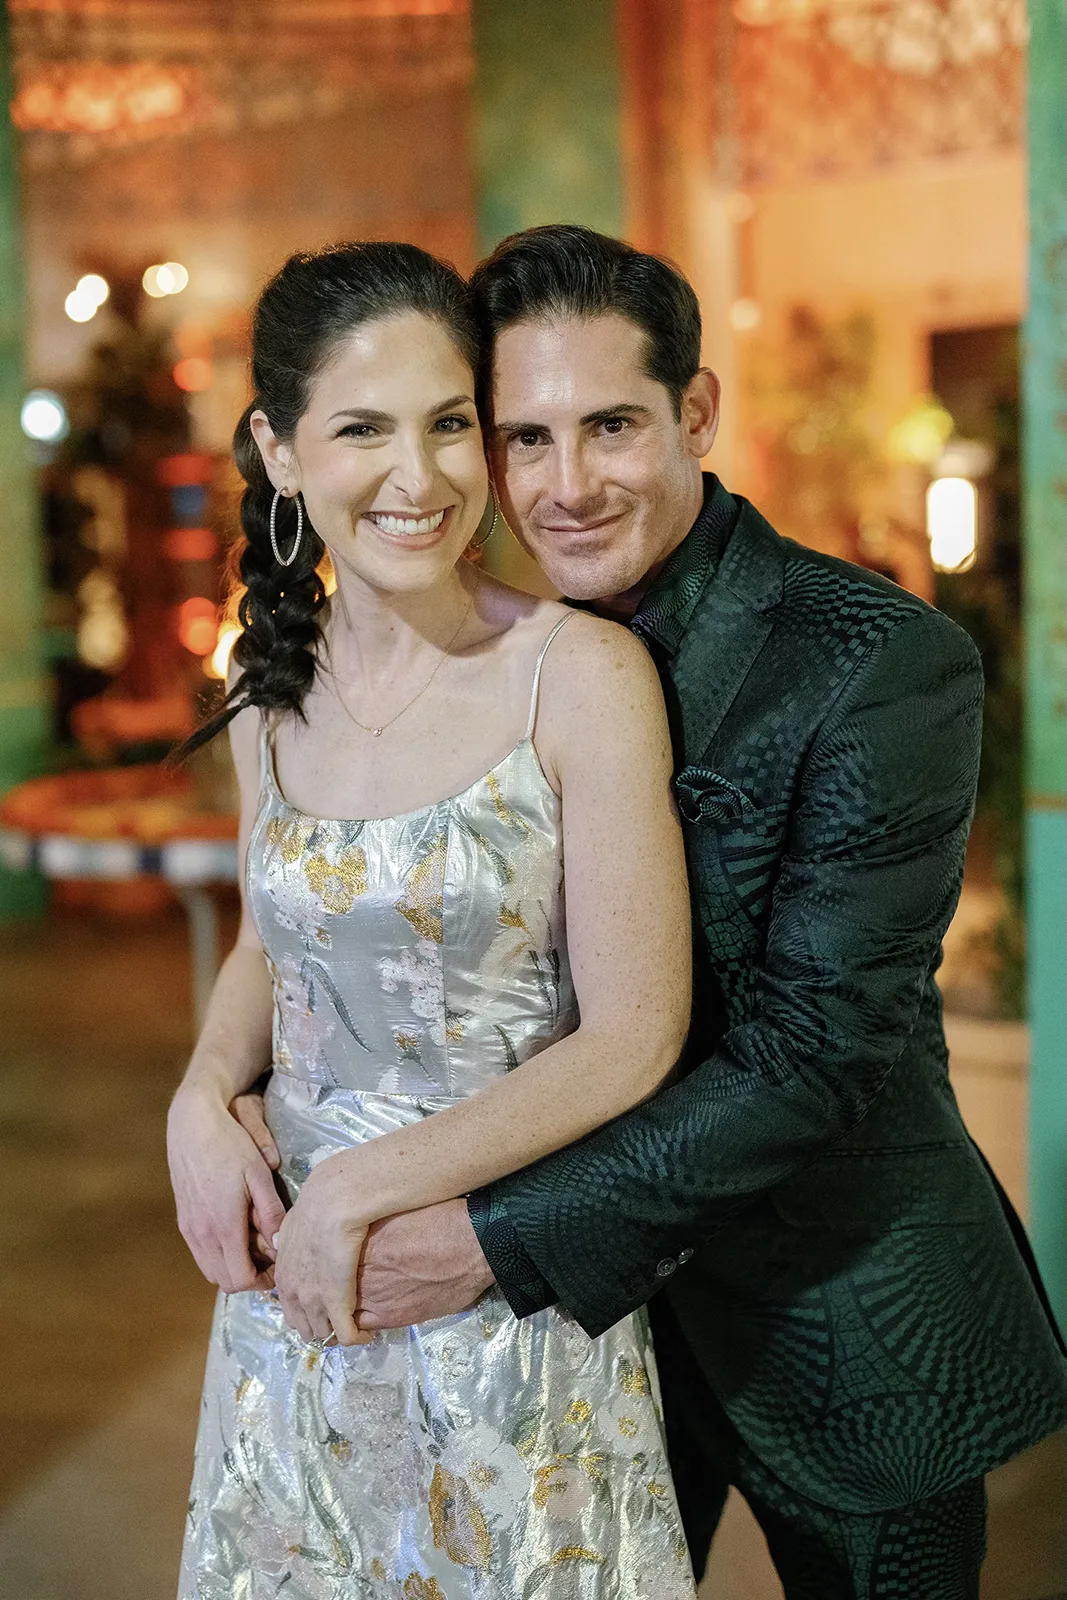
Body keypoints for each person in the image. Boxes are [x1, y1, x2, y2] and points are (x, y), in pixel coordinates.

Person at [236, 225, 1067, 1598]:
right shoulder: (489, 650)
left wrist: (494, 1238)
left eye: (611, 425)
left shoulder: (874, 661)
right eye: (522, 436)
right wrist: (207, 1092)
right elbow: (340, 903)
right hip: (582, 1349)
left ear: (695, 412)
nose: (565, 486)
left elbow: (816, 1053)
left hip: (839, 1309)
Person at [166, 241, 701, 1598]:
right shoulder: (270, 693)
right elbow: (269, 943)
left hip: (498, 1296)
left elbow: (634, 1034)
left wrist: (359, 1188)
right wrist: (200, 1093)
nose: (420, 477)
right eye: (363, 430)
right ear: (277, 451)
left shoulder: (579, 674)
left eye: (450, 423)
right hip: (292, 1310)